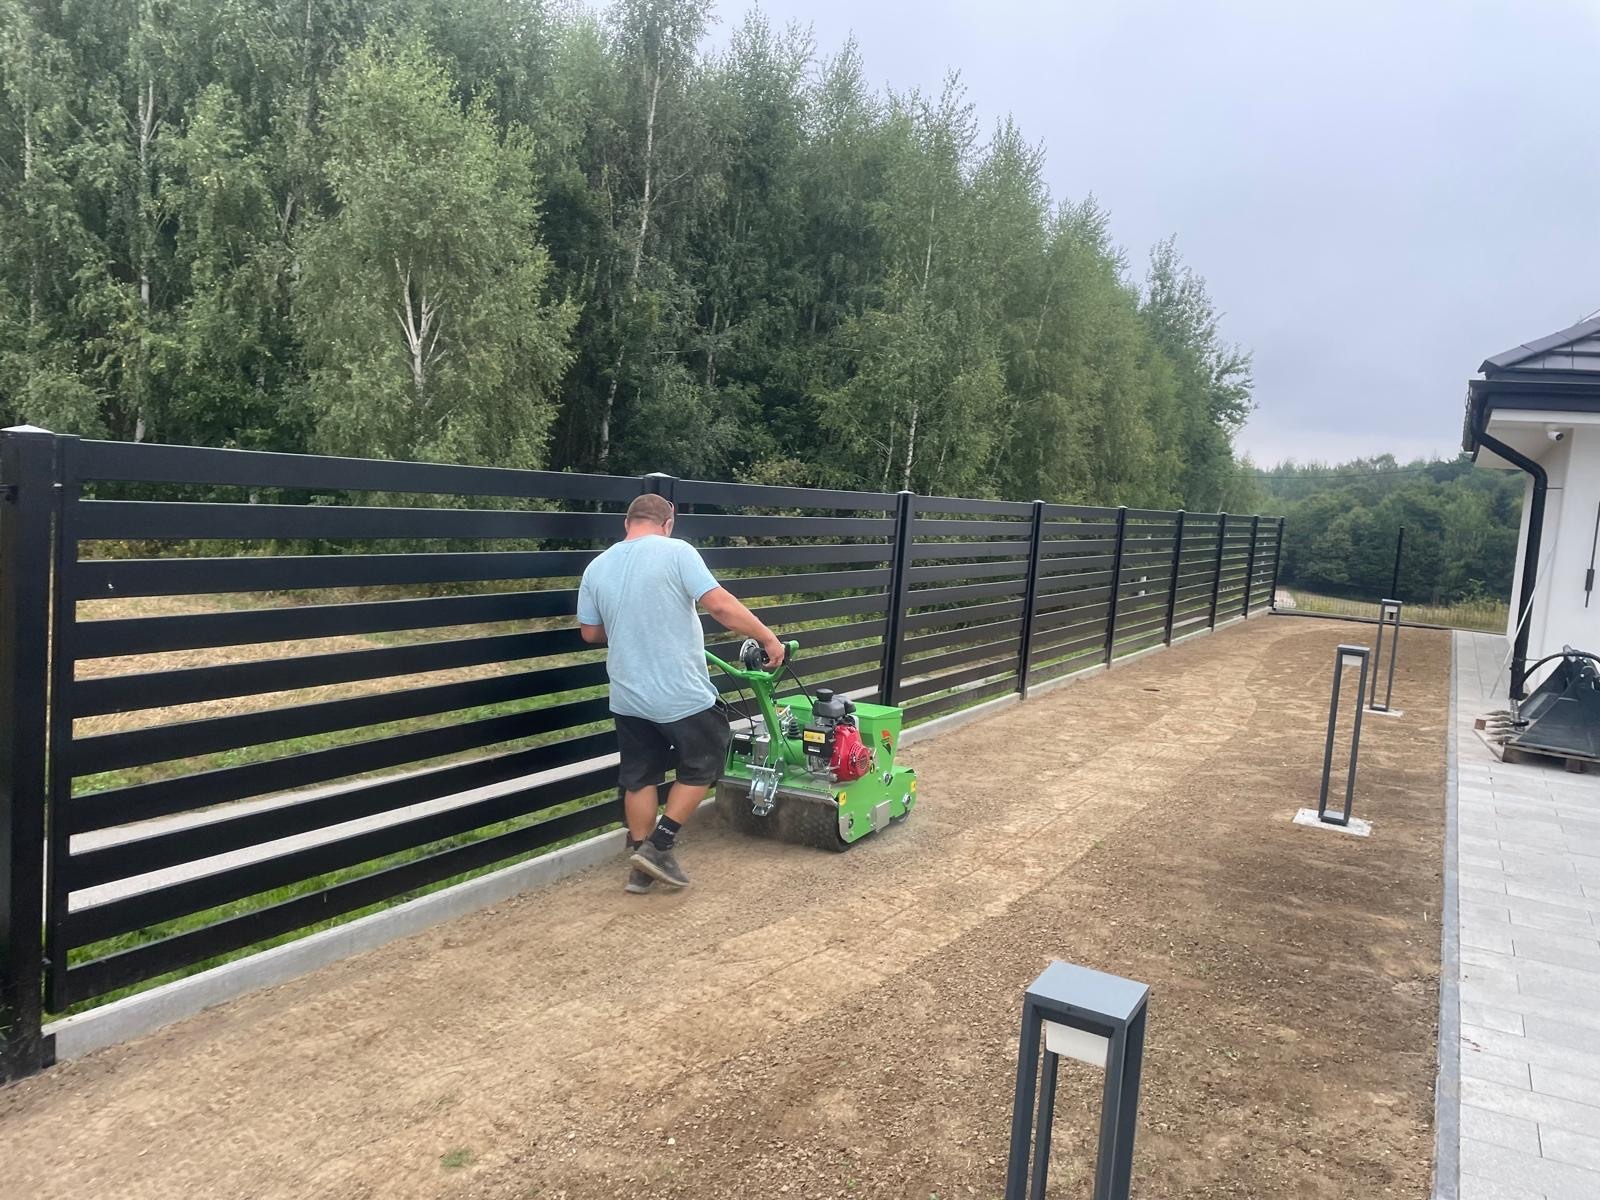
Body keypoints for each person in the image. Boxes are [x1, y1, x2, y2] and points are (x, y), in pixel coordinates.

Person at [577, 493, 785, 893]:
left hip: (627, 694)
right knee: (707, 758)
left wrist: (628, 620)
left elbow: (590, 632)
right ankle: (659, 845)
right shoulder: (677, 551)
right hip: (678, 692)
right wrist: (766, 636)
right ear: (667, 524)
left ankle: (640, 865)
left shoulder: (597, 567)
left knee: (639, 777)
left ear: (628, 523)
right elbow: (720, 607)